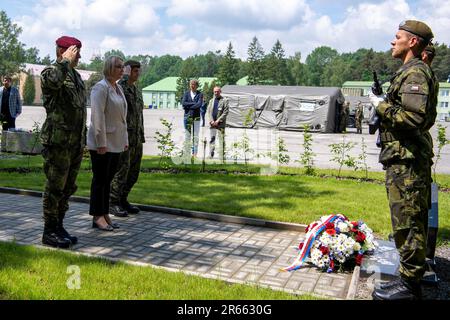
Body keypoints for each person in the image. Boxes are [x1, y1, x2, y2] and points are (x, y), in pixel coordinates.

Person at [372, 20, 437, 300]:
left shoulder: (416, 74)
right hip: (403, 160)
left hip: (407, 162)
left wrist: (379, 105)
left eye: (397, 37)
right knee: (406, 220)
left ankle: (410, 286)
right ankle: (408, 277)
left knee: (409, 222)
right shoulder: (410, 71)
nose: (392, 41)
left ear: (412, 42)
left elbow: (413, 118)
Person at [40, 36, 86, 248]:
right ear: (62, 51)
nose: (78, 56)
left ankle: (58, 225)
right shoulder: (50, 72)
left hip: (74, 143)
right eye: (74, 52)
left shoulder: (76, 77)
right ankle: (49, 231)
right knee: (54, 187)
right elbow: (53, 83)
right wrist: (64, 61)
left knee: (68, 188)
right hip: (58, 142)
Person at [87, 56, 128, 231]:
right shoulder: (100, 87)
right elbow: (97, 117)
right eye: (118, 66)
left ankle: (104, 214)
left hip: (116, 143)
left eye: (122, 66)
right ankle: (97, 217)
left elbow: (122, 119)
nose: (122, 69)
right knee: (100, 180)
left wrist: (124, 140)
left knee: (107, 180)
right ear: (109, 68)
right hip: (102, 144)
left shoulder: (117, 88)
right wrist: (100, 142)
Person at [109, 60, 145, 217]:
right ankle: (113, 202)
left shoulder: (136, 90)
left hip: (136, 138)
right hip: (125, 137)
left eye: (139, 71)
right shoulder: (121, 88)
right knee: (122, 171)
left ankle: (123, 199)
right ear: (129, 70)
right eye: (135, 71)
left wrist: (141, 135)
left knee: (133, 173)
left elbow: (139, 115)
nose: (138, 74)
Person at [206, 86, 229, 160]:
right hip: (212, 124)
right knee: (212, 139)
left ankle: (221, 156)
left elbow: (225, 112)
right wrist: (211, 120)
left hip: (220, 124)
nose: (216, 93)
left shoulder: (224, 100)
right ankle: (211, 155)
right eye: (215, 91)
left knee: (221, 139)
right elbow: (209, 111)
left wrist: (217, 121)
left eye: (217, 91)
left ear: (220, 92)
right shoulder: (211, 101)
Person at [181, 79, 203, 156]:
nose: (192, 86)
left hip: (196, 118)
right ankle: (187, 152)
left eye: (194, 84)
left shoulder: (200, 94)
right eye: (191, 84)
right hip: (187, 117)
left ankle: (194, 153)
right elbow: (183, 103)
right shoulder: (186, 94)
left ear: (197, 86)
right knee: (187, 135)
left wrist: (189, 106)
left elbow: (199, 105)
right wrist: (194, 103)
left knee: (195, 136)